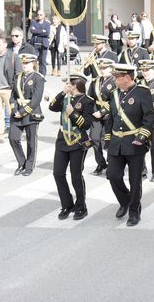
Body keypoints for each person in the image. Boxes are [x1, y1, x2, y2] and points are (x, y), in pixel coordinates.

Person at [106, 63, 154, 227]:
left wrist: (141, 137)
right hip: (116, 143)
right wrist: (107, 139)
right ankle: (125, 201)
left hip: (135, 143)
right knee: (113, 175)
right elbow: (111, 118)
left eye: (117, 77)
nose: (114, 80)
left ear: (127, 78)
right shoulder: (113, 94)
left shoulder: (142, 93)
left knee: (135, 181)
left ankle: (134, 212)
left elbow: (149, 119)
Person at [48, 72, 94, 220]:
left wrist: (72, 113)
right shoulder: (65, 98)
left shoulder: (87, 101)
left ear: (75, 85)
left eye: (68, 84)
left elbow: (86, 124)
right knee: (58, 173)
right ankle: (67, 204)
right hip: (62, 140)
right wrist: (62, 93)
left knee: (76, 176)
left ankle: (81, 206)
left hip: (77, 141)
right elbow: (52, 107)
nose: (66, 86)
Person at [9, 53, 45, 176]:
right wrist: (14, 110)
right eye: (23, 63)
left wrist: (23, 112)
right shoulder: (18, 77)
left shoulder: (38, 78)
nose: (24, 65)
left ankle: (29, 166)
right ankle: (21, 163)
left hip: (31, 113)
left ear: (33, 64)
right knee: (13, 138)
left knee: (31, 141)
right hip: (17, 112)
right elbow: (13, 96)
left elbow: (36, 99)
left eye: (27, 63)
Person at [0, 38, 21, 145]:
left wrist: (15, 89)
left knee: (12, 113)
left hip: (8, 90)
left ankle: (15, 134)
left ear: (5, 45)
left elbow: (19, 74)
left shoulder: (13, 56)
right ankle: (0, 135)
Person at [87, 58, 116, 176]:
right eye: (101, 68)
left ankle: (112, 164)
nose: (102, 70)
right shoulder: (95, 81)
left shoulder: (114, 81)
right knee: (94, 139)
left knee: (107, 140)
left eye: (105, 68)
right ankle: (101, 163)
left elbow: (115, 100)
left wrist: (103, 112)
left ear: (111, 68)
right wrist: (94, 111)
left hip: (109, 114)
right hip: (96, 113)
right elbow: (90, 98)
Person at [29, 10, 51, 75]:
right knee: (34, 60)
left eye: (41, 15)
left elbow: (47, 33)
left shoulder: (47, 23)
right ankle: (34, 74)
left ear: (44, 16)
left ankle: (43, 75)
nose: (39, 16)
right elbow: (32, 31)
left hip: (44, 44)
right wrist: (42, 31)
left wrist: (37, 31)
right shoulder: (33, 22)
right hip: (35, 44)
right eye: (38, 14)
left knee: (43, 61)